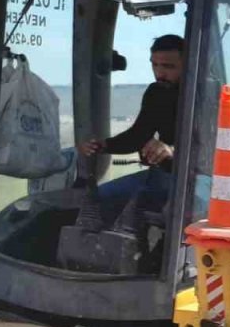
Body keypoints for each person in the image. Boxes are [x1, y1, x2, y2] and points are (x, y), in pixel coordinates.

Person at [76, 34, 183, 226]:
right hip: (161, 176)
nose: (159, 73)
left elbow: (209, 148)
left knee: (157, 211)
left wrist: (172, 151)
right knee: (98, 198)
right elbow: (138, 136)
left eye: (168, 67)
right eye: (155, 65)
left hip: (192, 183)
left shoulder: (207, 96)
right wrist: (103, 145)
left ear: (188, 65)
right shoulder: (156, 92)